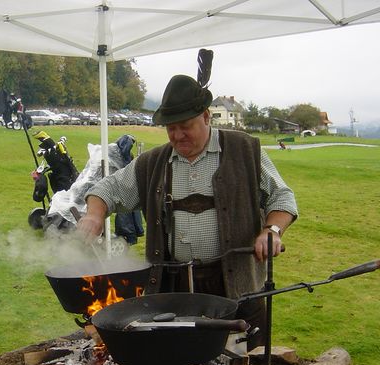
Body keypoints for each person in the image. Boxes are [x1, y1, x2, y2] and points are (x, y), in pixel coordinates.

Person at [77, 74, 298, 349]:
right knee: (178, 360)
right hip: (174, 290)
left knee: (246, 363)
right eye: (171, 128)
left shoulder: (245, 151)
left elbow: (282, 197)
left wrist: (272, 230)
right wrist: (95, 214)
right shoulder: (153, 163)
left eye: (185, 126)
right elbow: (107, 189)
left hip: (238, 286)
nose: (177, 135)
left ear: (206, 117)